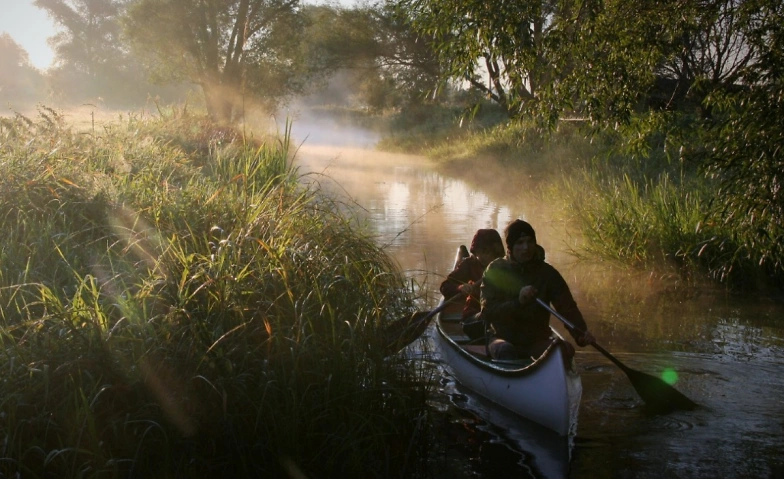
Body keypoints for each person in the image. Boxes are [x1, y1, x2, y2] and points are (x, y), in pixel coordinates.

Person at [480, 219, 595, 360]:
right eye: (520, 243)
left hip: (536, 341)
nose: (526, 248)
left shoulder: (548, 273)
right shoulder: (494, 270)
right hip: (503, 338)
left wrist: (580, 334)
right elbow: (487, 313)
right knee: (506, 351)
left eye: (530, 242)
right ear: (510, 247)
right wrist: (518, 302)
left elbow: (567, 307)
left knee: (565, 350)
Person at [440, 228, 505, 339]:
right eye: (478, 252)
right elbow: (445, 286)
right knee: (488, 318)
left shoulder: (506, 265)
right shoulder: (470, 264)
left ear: (496, 251)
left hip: (501, 314)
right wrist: (460, 288)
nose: (481, 257)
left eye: (486, 252)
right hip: (473, 318)